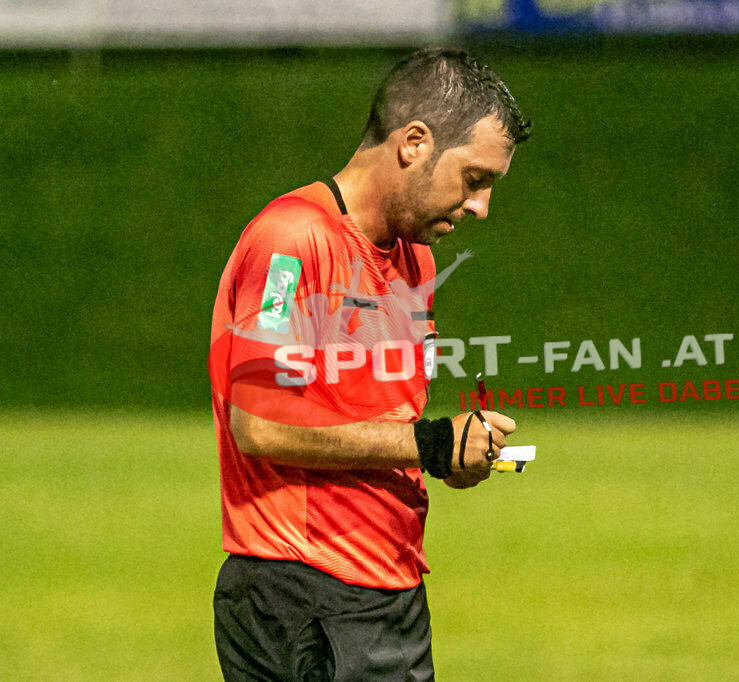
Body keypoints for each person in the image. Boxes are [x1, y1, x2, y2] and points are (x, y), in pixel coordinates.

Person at [207, 48, 531, 680]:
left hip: (390, 590)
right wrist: (431, 443)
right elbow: (259, 422)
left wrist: (445, 456)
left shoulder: (415, 260)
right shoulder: (292, 243)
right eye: (475, 179)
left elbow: (382, 424)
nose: (481, 207)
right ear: (414, 142)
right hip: (302, 595)